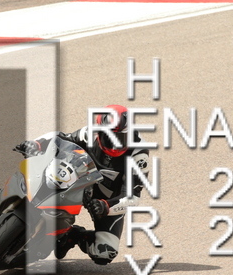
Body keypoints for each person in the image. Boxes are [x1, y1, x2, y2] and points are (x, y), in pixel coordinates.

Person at [14, 105, 149, 265]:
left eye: (121, 138)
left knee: (105, 252)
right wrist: (36, 144)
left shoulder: (139, 154)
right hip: (79, 181)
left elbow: (133, 197)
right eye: (109, 137)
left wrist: (106, 206)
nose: (114, 145)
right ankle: (20, 192)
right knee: (48, 172)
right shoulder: (89, 133)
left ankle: (70, 236)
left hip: (108, 199)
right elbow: (60, 138)